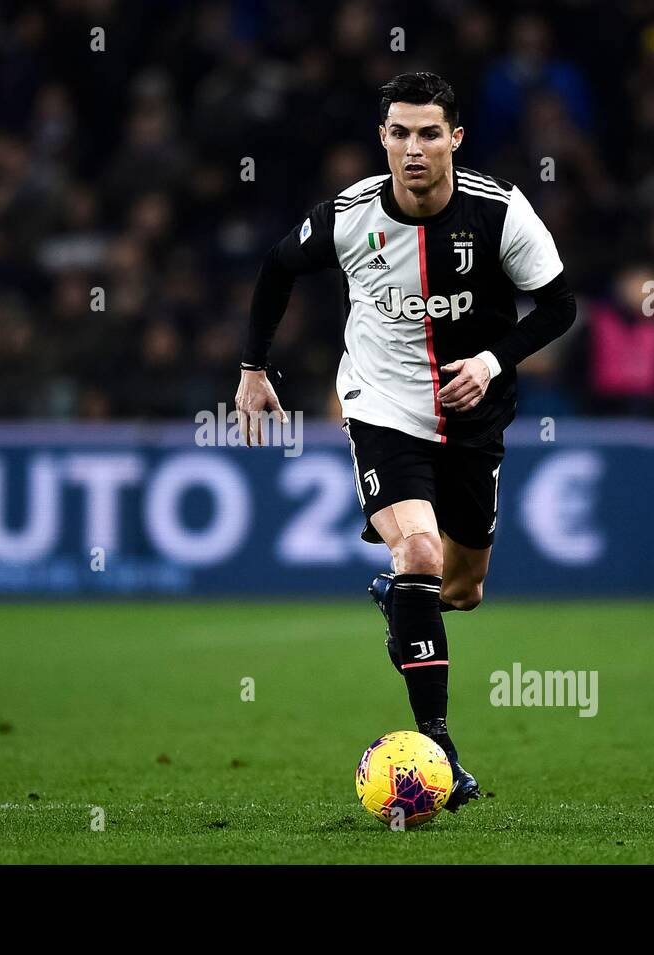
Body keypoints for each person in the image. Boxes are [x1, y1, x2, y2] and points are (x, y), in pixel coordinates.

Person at [235, 72, 577, 810]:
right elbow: (276, 267)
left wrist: (490, 363)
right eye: (399, 132)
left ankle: (405, 606)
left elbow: (559, 305)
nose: (413, 148)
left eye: (428, 133)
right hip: (382, 406)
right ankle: (441, 751)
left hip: (474, 414)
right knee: (417, 553)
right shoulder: (350, 214)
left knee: (463, 588)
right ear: (382, 138)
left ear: (455, 137)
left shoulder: (500, 210)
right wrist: (253, 368)